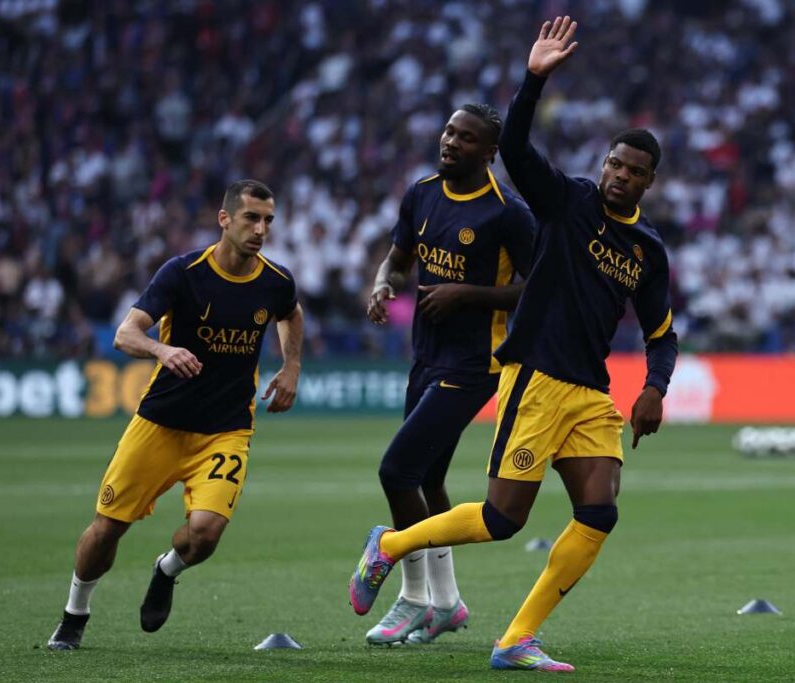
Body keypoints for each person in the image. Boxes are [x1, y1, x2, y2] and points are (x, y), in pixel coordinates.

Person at [349, 16, 677, 672]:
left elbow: (661, 333)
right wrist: (533, 79)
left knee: (599, 511)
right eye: (613, 162)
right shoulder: (567, 202)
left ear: (647, 182)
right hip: (534, 376)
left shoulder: (647, 251)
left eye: (632, 170)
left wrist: (654, 388)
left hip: (589, 392)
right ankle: (390, 544)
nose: (617, 175)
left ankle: (515, 638)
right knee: (503, 520)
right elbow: (519, 147)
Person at [47, 180, 304, 650]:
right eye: (251, 218)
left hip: (226, 431)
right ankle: (75, 613)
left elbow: (290, 313)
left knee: (204, 536)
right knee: (106, 529)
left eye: (268, 220)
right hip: (160, 425)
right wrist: (161, 349)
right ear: (224, 219)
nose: (261, 229)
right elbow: (126, 334)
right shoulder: (184, 272)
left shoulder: (276, 280)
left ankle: (166, 569)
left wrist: (291, 366)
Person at [363, 103, 535, 645]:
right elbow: (397, 257)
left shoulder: (508, 212)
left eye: (465, 138)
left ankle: (413, 599)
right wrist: (382, 283)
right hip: (426, 355)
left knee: (397, 472)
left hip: (476, 364)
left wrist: (468, 294)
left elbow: (537, 288)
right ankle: (448, 604)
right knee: (429, 479)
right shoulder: (421, 193)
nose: (450, 142)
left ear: (489, 152)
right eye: (448, 131)